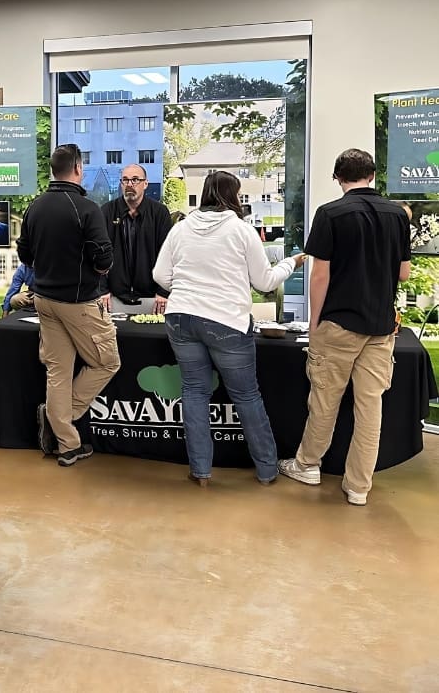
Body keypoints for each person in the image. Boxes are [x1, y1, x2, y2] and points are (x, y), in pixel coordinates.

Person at [152, 170, 306, 486]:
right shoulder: (241, 230)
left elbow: (159, 276)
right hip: (226, 322)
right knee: (247, 395)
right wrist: (292, 263)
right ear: (233, 196)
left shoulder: (180, 229)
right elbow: (264, 282)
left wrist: (185, 287)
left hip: (181, 317)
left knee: (194, 392)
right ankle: (266, 471)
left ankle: (201, 472)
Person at [278, 149, 411, 506]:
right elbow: (403, 272)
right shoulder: (397, 215)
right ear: (372, 175)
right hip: (381, 326)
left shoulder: (330, 213)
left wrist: (315, 322)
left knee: (325, 400)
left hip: (338, 322)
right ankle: (358, 487)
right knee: (371, 408)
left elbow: (320, 274)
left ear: (338, 177)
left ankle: (307, 465)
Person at [16, 143, 120, 467]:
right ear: (78, 168)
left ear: (52, 169)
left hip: (44, 300)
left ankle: (67, 444)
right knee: (107, 362)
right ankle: (57, 419)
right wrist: (98, 271)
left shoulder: (35, 207)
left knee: (58, 372)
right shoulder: (86, 209)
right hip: (79, 302)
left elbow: (24, 254)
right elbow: (104, 258)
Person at [100, 164, 173, 315]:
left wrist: (163, 291)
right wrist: (102, 289)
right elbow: (97, 254)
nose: (129, 185)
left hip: (152, 298)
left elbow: (169, 255)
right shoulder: (107, 212)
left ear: (145, 183)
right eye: (125, 180)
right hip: (113, 298)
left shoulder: (159, 213)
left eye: (135, 180)